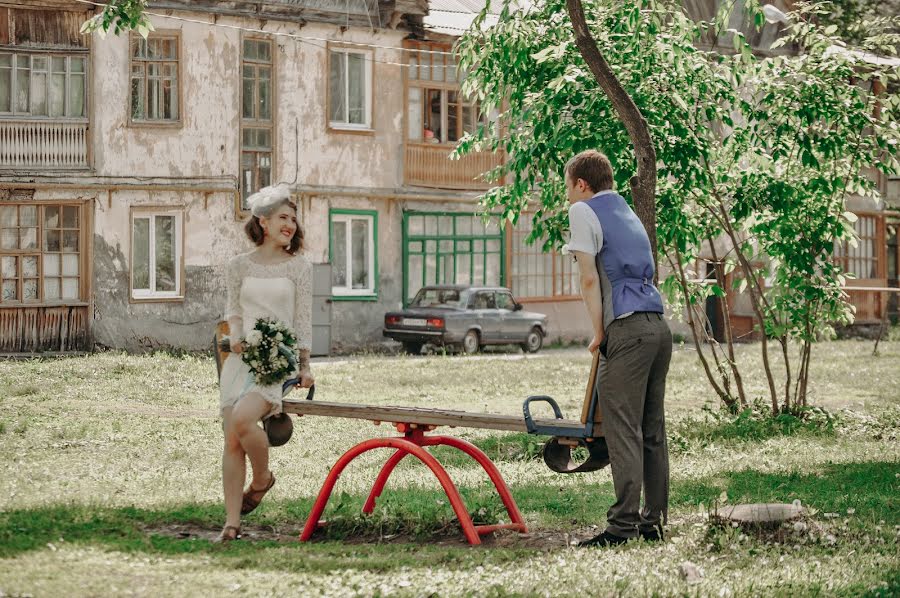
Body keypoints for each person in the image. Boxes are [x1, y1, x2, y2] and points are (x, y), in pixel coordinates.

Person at [564, 150, 672, 547]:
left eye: (568, 188)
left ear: (582, 184)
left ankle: (622, 527)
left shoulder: (584, 211)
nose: (568, 198)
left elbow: (589, 280)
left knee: (622, 429)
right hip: (658, 327)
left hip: (626, 331)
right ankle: (653, 522)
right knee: (651, 430)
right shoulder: (627, 212)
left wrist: (598, 332)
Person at [216, 184, 315, 543]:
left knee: (243, 419)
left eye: (293, 218)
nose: (290, 224)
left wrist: (304, 365)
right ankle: (232, 523)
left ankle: (261, 479)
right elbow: (234, 310)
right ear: (264, 222)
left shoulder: (299, 267)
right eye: (283, 218)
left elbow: (303, 319)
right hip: (242, 360)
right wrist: (238, 334)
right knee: (232, 441)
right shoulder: (238, 266)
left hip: (279, 361)